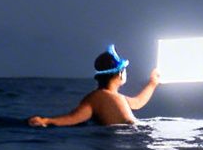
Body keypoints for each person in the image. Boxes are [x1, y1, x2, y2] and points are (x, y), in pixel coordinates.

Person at [28, 45, 160, 126]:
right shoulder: (96, 98)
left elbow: (137, 102)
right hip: (126, 135)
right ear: (120, 74)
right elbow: (73, 118)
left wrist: (152, 83)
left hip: (128, 133)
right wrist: (46, 121)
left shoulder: (114, 97)